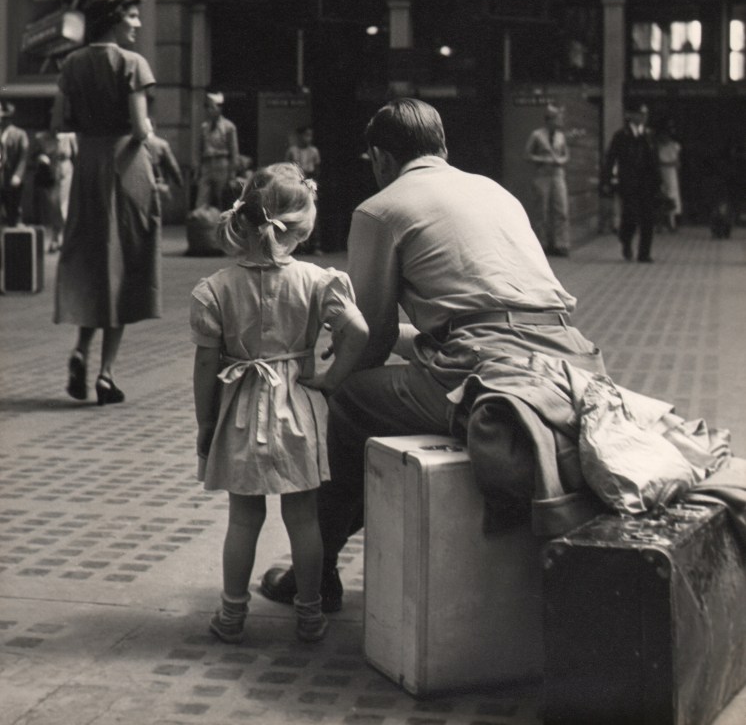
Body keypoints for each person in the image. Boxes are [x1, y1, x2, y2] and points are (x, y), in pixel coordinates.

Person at [259, 99, 741, 616]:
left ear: (379, 157)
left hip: (487, 370)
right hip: (570, 359)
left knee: (355, 401)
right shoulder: (495, 191)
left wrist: (326, 379)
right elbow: (479, 314)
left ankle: (319, 571)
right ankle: (339, 543)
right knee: (392, 386)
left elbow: (372, 340)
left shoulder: (380, 208)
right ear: (443, 148)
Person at [191, 163, 368, 644]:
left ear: (243, 218)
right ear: (303, 226)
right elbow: (359, 332)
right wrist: (330, 379)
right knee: (304, 518)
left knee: (243, 520)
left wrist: (206, 423)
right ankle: (309, 614)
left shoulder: (215, 289)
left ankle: (232, 616)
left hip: (241, 409)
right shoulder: (317, 280)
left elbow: (206, 367)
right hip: (299, 406)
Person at [51, 0, 161, 406]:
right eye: (131, 16)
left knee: (95, 260)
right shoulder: (132, 64)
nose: (136, 24)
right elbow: (138, 128)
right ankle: (106, 376)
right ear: (114, 18)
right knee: (126, 265)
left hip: (88, 168)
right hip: (125, 166)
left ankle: (80, 350)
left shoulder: (72, 64)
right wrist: (151, 133)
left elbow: (61, 119)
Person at [602, 101, 660, 263]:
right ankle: (626, 240)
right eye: (641, 114)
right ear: (631, 116)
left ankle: (644, 253)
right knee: (630, 216)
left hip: (647, 183)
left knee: (648, 218)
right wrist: (607, 180)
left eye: (645, 114)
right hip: (628, 183)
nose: (644, 117)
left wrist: (659, 182)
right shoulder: (621, 136)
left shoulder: (649, 135)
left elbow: (655, 160)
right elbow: (611, 158)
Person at [524, 104, 570, 256]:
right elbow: (527, 155)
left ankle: (560, 243)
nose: (559, 121)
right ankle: (542, 243)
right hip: (542, 174)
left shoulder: (560, 136)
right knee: (541, 210)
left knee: (561, 210)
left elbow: (566, 155)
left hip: (557, 174)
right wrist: (543, 158)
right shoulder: (537, 135)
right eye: (557, 118)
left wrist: (560, 161)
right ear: (550, 120)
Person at [195, 91, 239, 210]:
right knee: (201, 199)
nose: (209, 110)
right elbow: (200, 149)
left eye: (212, 107)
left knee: (222, 199)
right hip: (207, 164)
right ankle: (201, 224)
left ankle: (224, 226)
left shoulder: (229, 127)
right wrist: (198, 169)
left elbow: (234, 152)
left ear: (219, 109)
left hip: (222, 164)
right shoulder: (204, 127)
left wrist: (232, 174)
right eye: (208, 107)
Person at [286, 125, 322, 254]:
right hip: (296, 182)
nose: (308, 138)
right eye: (306, 135)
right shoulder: (292, 151)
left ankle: (315, 245)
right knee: (296, 212)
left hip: (309, 182)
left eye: (310, 135)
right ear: (299, 136)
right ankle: (297, 245)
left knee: (312, 212)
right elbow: (288, 167)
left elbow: (317, 168)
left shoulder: (314, 151)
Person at [0, 101, 30, 227]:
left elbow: (24, 157)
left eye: (5, 118)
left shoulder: (20, 134)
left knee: (13, 209)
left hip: (11, 178)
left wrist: (18, 175)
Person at [656, 124, 682, 231]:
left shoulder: (674, 146)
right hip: (661, 174)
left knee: (671, 197)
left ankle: (672, 223)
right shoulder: (658, 147)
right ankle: (660, 224)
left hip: (670, 175)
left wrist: (664, 164)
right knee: (661, 197)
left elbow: (677, 163)